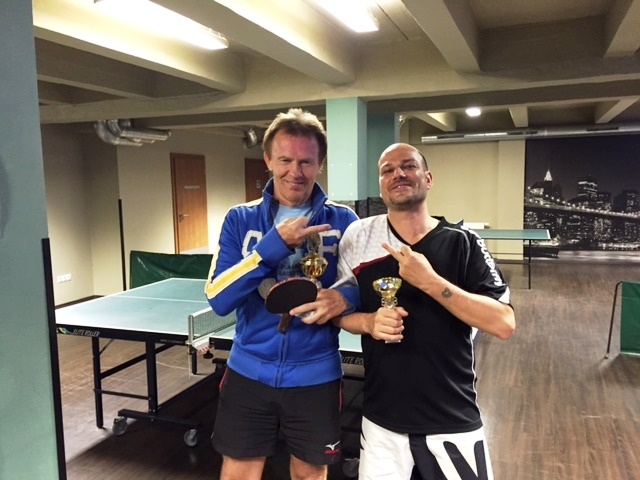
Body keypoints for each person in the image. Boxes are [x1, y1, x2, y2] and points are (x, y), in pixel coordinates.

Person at [331, 143, 516, 480]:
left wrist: (431, 282)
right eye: (388, 170)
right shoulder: (359, 238)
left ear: (428, 178)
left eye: (409, 166)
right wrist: (369, 322)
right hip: (381, 421)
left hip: (452, 417)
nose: (398, 174)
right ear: (381, 185)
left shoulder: (464, 241)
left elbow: (503, 323)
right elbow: (339, 313)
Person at [204, 108, 358, 480]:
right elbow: (219, 298)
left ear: (320, 164)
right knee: (239, 474)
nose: (295, 171)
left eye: (306, 161)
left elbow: (364, 286)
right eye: (285, 160)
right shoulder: (240, 219)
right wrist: (272, 247)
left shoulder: (344, 221)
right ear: (268, 159)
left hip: (316, 376)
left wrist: (346, 298)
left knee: (309, 475)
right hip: (248, 373)